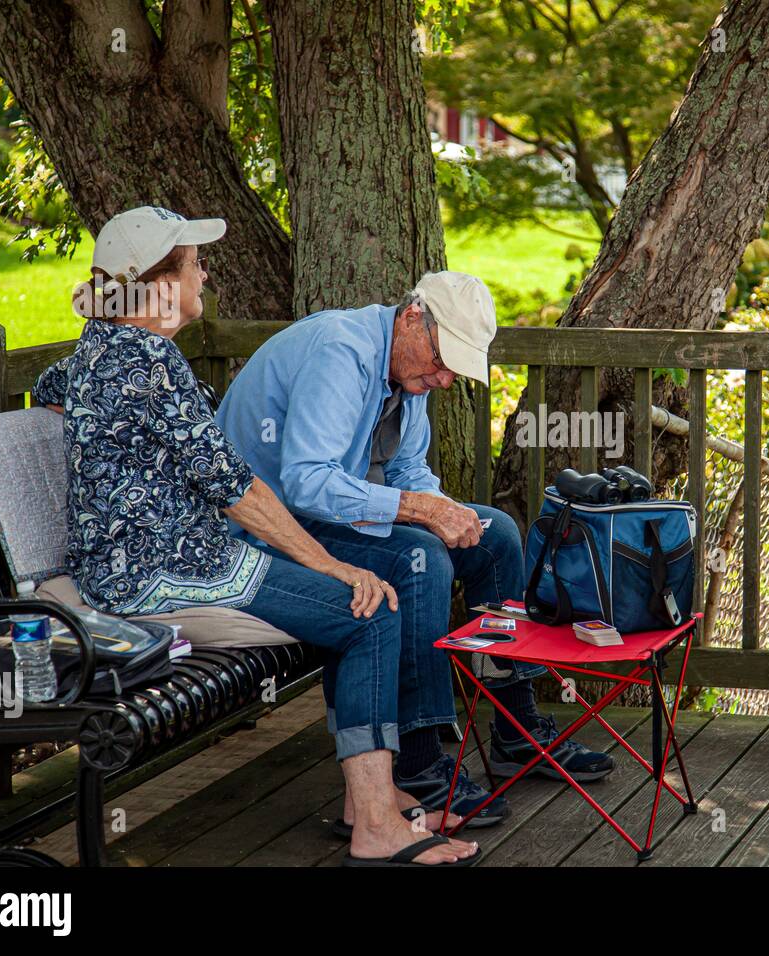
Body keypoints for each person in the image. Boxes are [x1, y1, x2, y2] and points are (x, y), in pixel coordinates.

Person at [32, 206, 478, 867]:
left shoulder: (102, 346)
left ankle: (369, 801)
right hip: (163, 575)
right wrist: (333, 567)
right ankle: (377, 823)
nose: (205, 274)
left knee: (365, 599)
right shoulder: (150, 361)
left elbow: (52, 386)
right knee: (370, 609)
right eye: (193, 264)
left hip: (150, 561)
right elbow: (238, 493)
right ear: (156, 283)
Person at [216, 271, 614, 832]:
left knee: (495, 534)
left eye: (454, 366)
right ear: (410, 317)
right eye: (442, 357)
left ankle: (515, 730)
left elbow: (406, 470)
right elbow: (306, 483)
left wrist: (445, 510)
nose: (446, 378)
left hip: (328, 515)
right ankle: (420, 761)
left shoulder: (408, 372)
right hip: (276, 531)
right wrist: (424, 513)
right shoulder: (341, 352)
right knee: (418, 559)